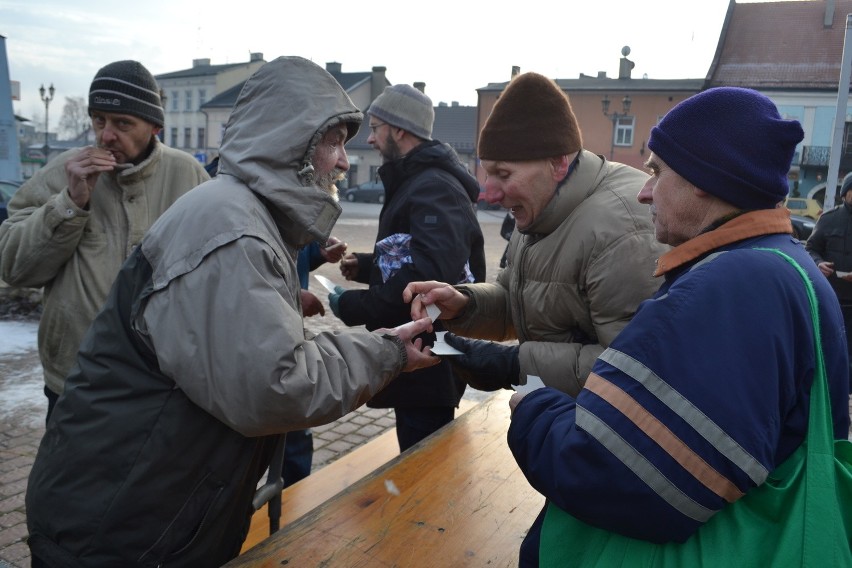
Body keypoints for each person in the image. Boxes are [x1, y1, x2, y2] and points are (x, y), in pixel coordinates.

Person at [24, 56, 439, 568]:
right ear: (294, 141)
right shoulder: (231, 228)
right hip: (119, 525)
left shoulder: (245, 214)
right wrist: (387, 352)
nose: (344, 161)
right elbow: (275, 386)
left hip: (144, 510)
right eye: (333, 142)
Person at [505, 87, 851, 565]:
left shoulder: (732, 284)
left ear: (703, 178)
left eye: (657, 171)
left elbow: (624, 479)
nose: (645, 190)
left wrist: (533, 411)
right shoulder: (783, 264)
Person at [405, 71, 667, 397]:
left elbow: (633, 368)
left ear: (557, 164)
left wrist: (515, 364)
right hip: (555, 417)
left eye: (503, 174)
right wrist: (464, 304)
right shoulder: (540, 207)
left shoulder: (622, 233)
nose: (489, 194)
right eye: (489, 173)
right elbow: (521, 300)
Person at [0, 60, 210, 423]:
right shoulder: (62, 172)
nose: (106, 135)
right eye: (99, 120)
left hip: (161, 381)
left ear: (155, 126)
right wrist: (70, 203)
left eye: (123, 123)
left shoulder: (189, 176)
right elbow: (14, 268)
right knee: (69, 481)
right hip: (77, 380)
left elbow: (217, 266)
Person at [328, 84, 486, 452]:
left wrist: (352, 306)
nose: (369, 139)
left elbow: (427, 275)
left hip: (431, 361)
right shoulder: (418, 181)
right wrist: (365, 266)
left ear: (399, 130)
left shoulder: (433, 187)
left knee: (424, 472)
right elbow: (413, 253)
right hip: (421, 358)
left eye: (376, 127)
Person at [806, 172, 852, 387]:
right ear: (845, 194)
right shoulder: (829, 219)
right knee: (831, 352)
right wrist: (818, 264)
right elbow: (811, 249)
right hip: (833, 299)